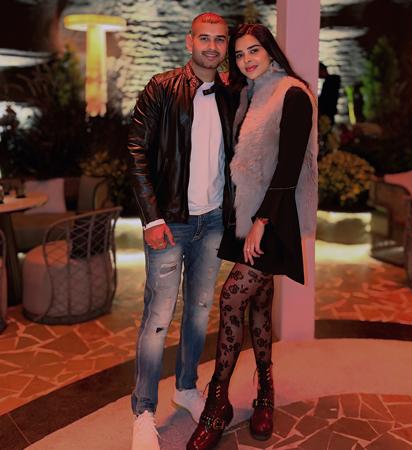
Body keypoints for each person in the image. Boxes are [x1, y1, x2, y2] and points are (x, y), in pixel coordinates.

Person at [187, 23, 317, 450]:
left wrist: (261, 221)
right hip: (248, 216)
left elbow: (289, 167)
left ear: (270, 51)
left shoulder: (293, 94)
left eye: (253, 51)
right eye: (240, 54)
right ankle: (265, 391)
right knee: (258, 302)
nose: (246, 60)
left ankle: (217, 403)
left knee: (232, 298)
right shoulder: (249, 94)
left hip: (274, 220)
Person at [127, 12, 235, 450]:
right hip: (170, 222)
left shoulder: (230, 92)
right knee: (157, 317)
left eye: (220, 40)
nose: (212, 46)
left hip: (213, 221)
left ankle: (186, 387)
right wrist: (151, 218)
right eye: (204, 38)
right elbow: (136, 151)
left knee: (199, 310)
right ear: (189, 42)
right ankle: (143, 410)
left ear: (226, 46)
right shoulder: (161, 87)